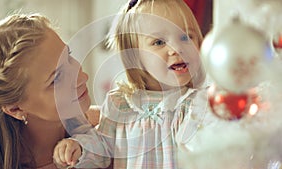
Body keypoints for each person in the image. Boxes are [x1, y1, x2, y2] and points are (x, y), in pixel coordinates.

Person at [53, 0, 208, 168]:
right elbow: (102, 146)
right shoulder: (120, 104)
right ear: (134, 57)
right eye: (159, 42)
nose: (177, 48)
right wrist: (79, 148)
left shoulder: (199, 103)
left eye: (186, 37)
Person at [0, 13, 109, 169]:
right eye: (56, 79)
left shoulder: (108, 129)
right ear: (15, 109)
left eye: (68, 56)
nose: (81, 77)